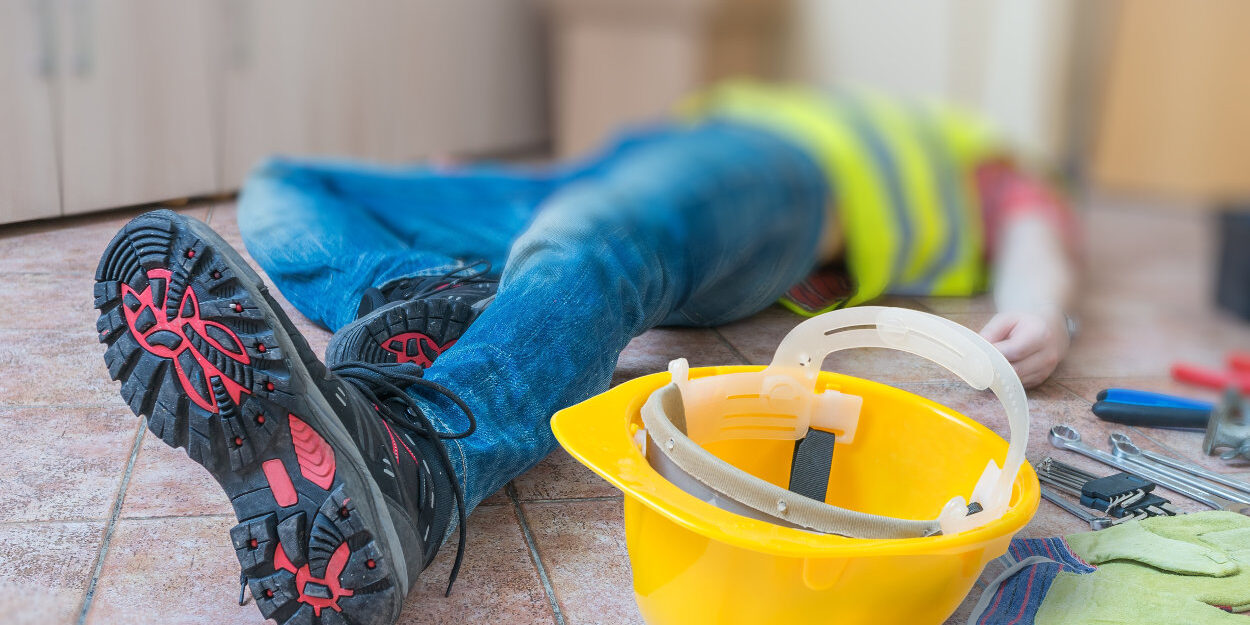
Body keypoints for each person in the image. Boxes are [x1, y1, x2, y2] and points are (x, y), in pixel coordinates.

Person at [93, 82, 1076, 625]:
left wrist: (1044, 306)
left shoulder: (955, 152)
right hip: (605, 171)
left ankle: (416, 459)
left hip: (782, 181)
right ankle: (439, 297)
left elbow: (1034, 222)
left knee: (594, 239)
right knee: (284, 185)